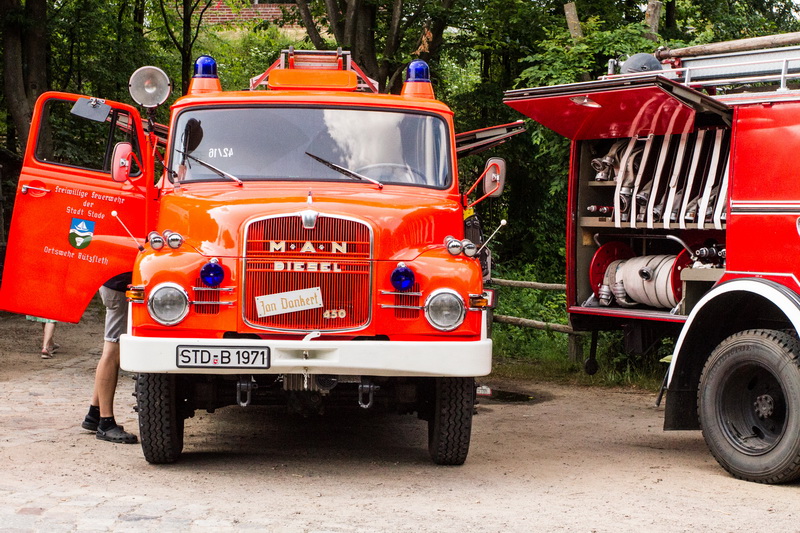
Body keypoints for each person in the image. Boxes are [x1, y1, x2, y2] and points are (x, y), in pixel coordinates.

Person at [81, 273, 138, 444]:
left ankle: (94, 413)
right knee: (112, 352)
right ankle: (106, 423)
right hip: (120, 288)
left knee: (112, 350)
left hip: (114, 285)